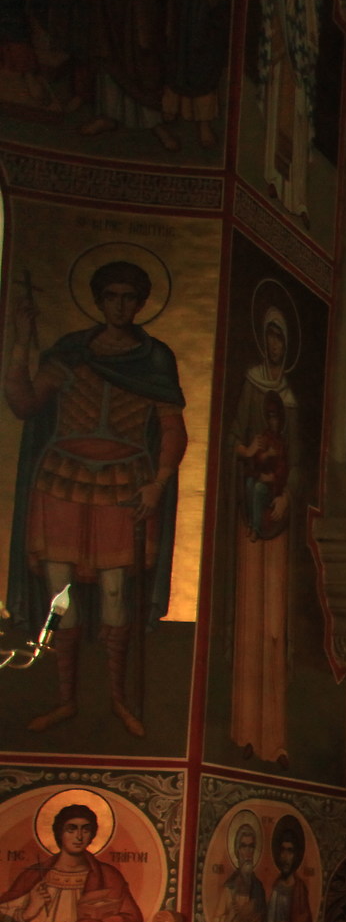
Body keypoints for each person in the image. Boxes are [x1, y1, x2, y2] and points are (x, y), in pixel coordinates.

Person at [6, 256, 187, 738]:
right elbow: (25, 405)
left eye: (130, 297)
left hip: (123, 484)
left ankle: (117, 699)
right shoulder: (69, 352)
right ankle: (65, 700)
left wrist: (159, 482)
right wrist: (23, 341)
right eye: (112, 296)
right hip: (62, 479)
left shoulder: (155, 359)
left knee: (113, 594)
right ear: (99, 300)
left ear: (142, 303)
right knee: (60, 596)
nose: (121, 305)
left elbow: (172, 426)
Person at [226, 295, 300, 765]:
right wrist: (246, 449)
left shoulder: (289, 397)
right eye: (270, 334)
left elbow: (300, 454)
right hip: (250, 509)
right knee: (251, 616)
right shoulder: (252, 387)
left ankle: (274, 738)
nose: (274, 343)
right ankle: (243, 733)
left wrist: (290, 491)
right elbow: (234, 437)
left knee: (276, 623)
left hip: (281, 511)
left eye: (281, 336)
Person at [0, 802, 140, 922]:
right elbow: (3, 919)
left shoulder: (108, 875)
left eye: (85, 829)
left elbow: (131, 920)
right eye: (71, 829)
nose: (79, 836)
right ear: (60, 833)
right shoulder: (33, 876)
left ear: (92, 835)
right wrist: (27, 913)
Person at [214, 817, 269, 922]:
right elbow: (218, 921)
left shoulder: (259, 887)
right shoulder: (230, 887)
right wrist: (232, 915)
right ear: (237, 851)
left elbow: (264, 921)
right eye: (244, 846)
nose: (248, 852)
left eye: (251, 846)